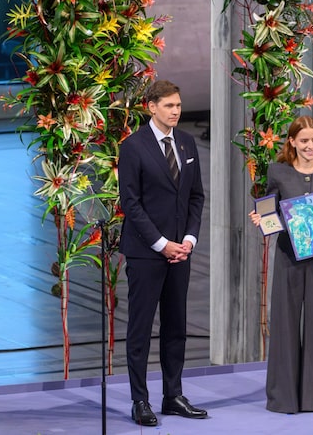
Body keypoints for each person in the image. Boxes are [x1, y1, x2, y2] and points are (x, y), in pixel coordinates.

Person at [118, 79, 208, 426]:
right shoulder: (133, 147)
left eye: (179, 105)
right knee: (140, 329)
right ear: (151, 107)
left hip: (180, 253)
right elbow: (131, 203)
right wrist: (161, 243)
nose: (176, 111)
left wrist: (188, 240)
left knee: (176, 326)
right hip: (146, 253)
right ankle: (140, 400)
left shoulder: (186, 143)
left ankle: (173, 396)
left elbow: (195, 197)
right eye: (169, 106)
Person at [249, 116, 313, 413]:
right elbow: (270, 210)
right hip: (288, 258)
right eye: (303, 140)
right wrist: (261, 219)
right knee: (284, 326)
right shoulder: (278, 172)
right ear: (291, 142)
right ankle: (283, 399)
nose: (310, 146)